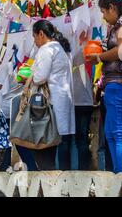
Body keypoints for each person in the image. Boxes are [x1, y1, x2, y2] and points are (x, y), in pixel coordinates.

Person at [86, 0, 122, 173]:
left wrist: (100, 56)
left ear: (112, 8)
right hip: (113, 86)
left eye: (104, 11)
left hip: (121, 86)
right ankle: (119, 178)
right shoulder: (119, 25)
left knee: (121, 134)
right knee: (111, 135)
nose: (103, 16)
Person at [31, 19, 75, 170]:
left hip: (52, 102)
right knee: (64, 140)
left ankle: (51, 178)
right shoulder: (60, 49)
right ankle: (65, 176)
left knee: (51, 141)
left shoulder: (46, 49)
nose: (35, 41)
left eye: (34, 37)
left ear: (41, 34)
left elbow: (40, 77)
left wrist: (29, 77)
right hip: (64, 99)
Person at [57, 35, 95, 170]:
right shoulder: (83, 50)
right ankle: (83, 172)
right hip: (85, 102)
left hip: (69, 103)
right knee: (82, 140)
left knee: (65, 140)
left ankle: (65, 173)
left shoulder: (59, 58)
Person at [0, 57, 37, 171]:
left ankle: (4, 167)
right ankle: (31, 166)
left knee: (6, 141)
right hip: (20, 108)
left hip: (6, 109)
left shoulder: (5, 66)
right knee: (19, 140)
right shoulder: (28, 65)